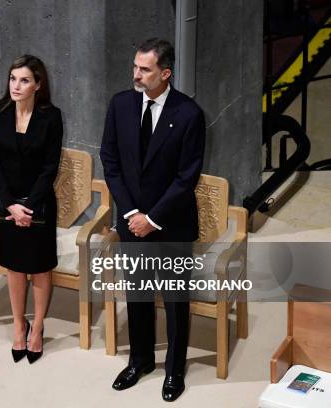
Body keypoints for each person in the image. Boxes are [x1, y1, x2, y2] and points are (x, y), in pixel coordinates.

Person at [100, 38, 205, 402]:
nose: (136, 75)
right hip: (131, 222)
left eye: (144, 70)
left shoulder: (189, 114)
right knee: (138, 295)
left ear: (165, 73)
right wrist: (131, 214)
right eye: (135, 67)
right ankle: (140, 360)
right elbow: (110, 162)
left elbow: (186, 177)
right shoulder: (120, 105)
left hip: (171, 224)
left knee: (176, 301)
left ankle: (175, 370)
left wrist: (153, 219)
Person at [0, 55, 63, 364]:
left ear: (38, 85)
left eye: (24, 80)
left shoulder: (51, 116)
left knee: (40, 268)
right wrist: (10, 204)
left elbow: (50, 167)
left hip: (39, 203)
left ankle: (38, 329)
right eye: (13, 79)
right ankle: (19, 325)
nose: (16, 86)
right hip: (7, 202)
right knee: (15, 268)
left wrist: (27, 206)